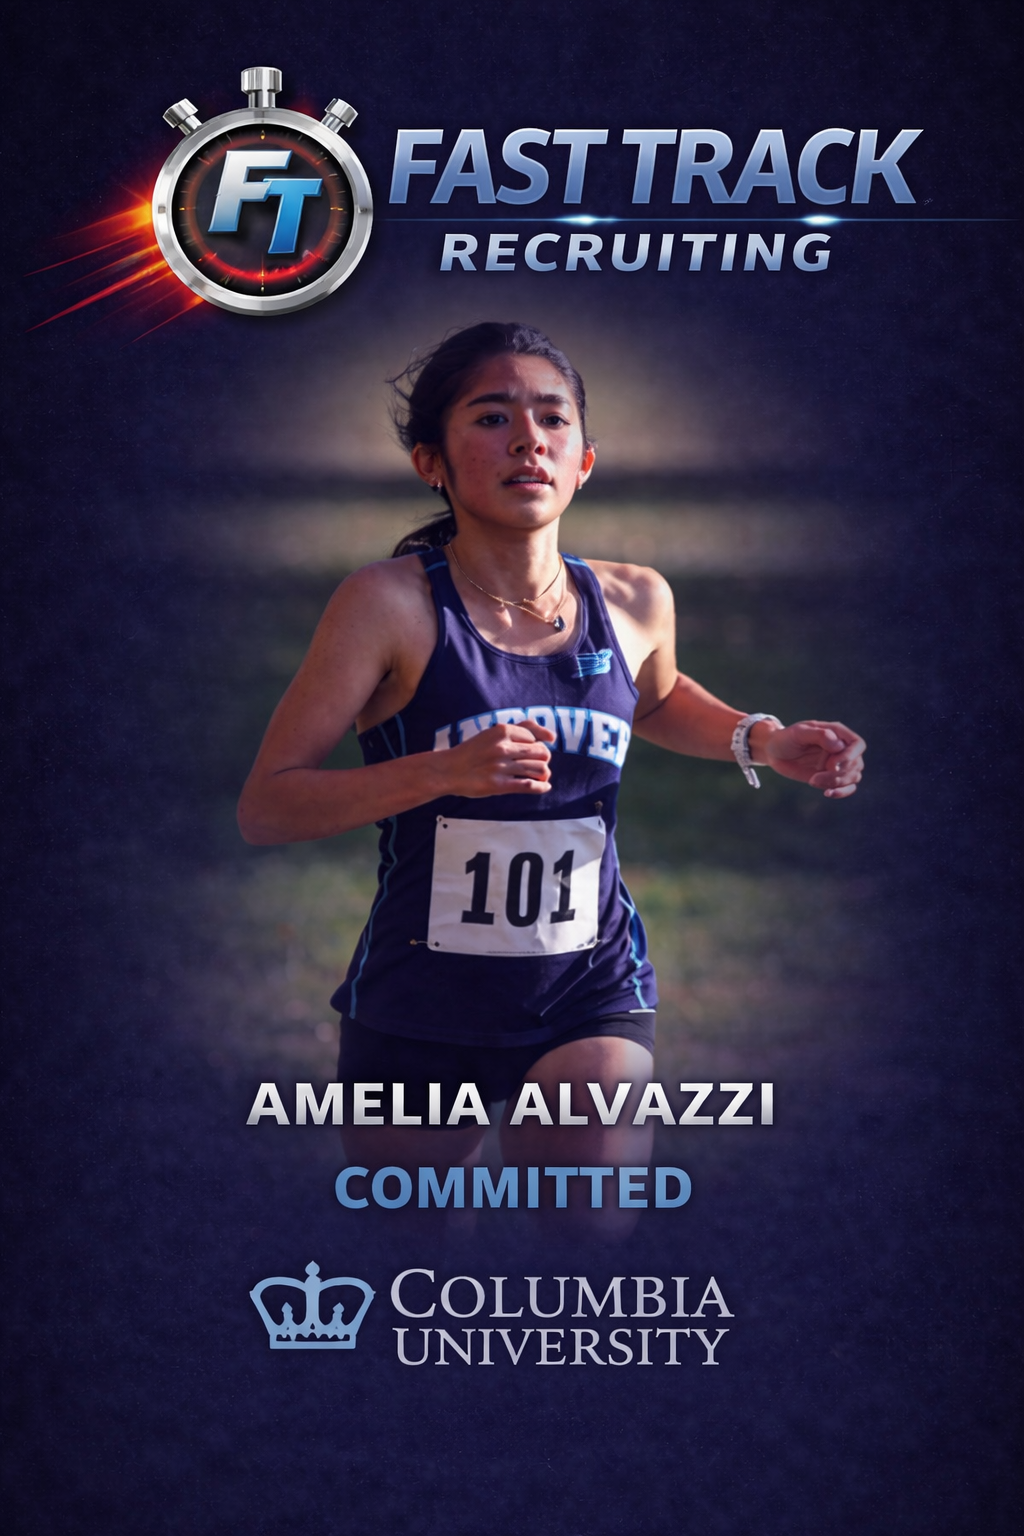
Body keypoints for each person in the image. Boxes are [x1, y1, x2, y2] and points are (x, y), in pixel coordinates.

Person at [237, 321, 865, 1235]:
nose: (527, 438)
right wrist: (442, 772)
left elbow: (651, 698)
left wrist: (759, 739)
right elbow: (269, 805)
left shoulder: (635, 598)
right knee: (411, 1261)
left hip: (589, 985)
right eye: (491, 418)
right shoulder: (386, 606)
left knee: (590, 1242)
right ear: (432, 463)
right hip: (419, 999)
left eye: (551, 419)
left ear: (583, 462)